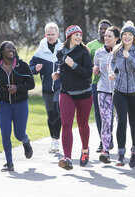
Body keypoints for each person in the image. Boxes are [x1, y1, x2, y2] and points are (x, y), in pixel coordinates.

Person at [0, 41, 35, 172]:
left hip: (20, 104)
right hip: (3, 105)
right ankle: (9, 162)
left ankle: (26, 142)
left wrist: (17, 88)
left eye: (13, 47)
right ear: (2, 51)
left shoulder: (22, 65)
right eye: (9, 47)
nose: (12, 49)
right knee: (5, 133)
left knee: (19, 134)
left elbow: (31, 84)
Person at [52, 25, 93, 170]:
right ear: (69, 36)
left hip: (83, 93)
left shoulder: (84, 52)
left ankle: (85, 150)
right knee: (66, 124)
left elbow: (88, 74)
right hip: (66, 92)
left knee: (82, 124)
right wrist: (57, 73)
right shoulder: (60, 51)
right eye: (76, 35)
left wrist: (73, 64)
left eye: (80, 35)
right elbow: (60, 66)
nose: (79, 38)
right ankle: (67, 158)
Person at [109, 21, 135, 168]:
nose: (127, 37)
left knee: (133, 123)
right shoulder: (116, 50)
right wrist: (112, 72)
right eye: (124, 34)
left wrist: (129, 58)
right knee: (121, 122)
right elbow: (112, 64)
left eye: (129, 35)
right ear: (121, 36)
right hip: (119, 92)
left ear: (134, 37)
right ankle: (120, 155)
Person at [29, 22, 62, 153]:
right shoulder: (41, 50)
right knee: (50, 114)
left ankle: (56, 140)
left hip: (60, 87)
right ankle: (53, 140)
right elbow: (30, 67)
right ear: (45, 35)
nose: (50, 37)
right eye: (48, 34)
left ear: (58, 35)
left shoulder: (63, 48)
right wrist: (35, 69)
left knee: (56, 108)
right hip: (46, 87)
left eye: (53, 34)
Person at [93, 26, 120, 163]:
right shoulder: (98, 52)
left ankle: (122, 149)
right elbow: (96, 67)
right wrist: (95, 70)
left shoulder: (121, 52)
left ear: (116, 38)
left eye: (110, 36)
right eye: (105, 36)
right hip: (103, 90)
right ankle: (105, 151)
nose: (107, 38)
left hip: (120, 92)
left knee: (120, 121)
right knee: (106, 121)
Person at [87, 19, 113, 153]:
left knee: (110, 112)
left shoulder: (116, 45)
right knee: (99, 113)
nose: (103, 32)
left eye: (106, 30)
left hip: (113, 84)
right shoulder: (91, 46)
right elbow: (86, 63)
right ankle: (103, 140)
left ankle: (109, 136)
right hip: (97, 84)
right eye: (101, 29)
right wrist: (93, 68)